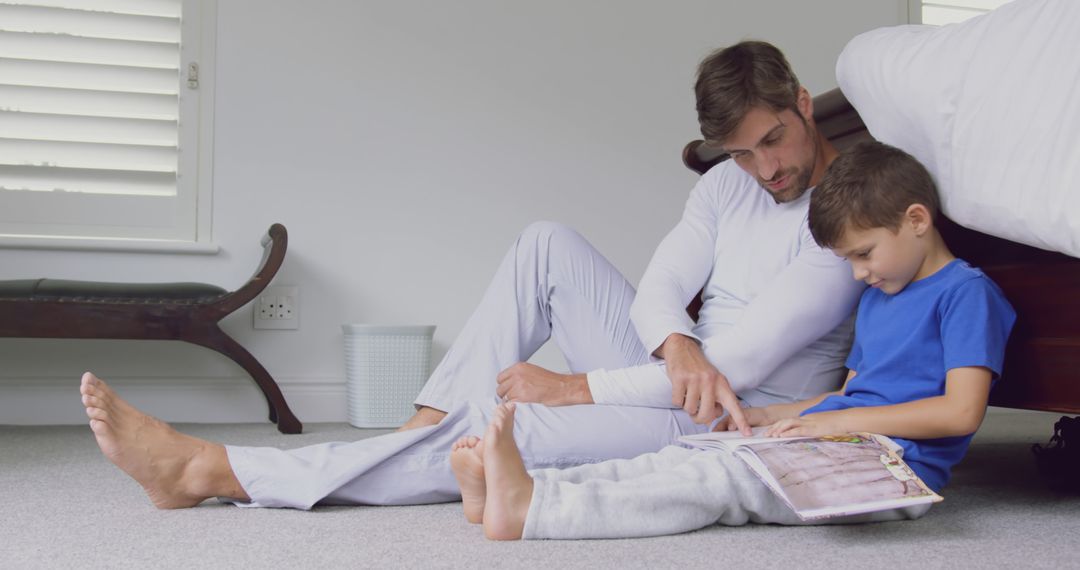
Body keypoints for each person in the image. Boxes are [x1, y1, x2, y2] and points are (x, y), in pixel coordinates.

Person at [79, 41, 863, 510]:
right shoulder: (729, 182)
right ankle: (420, 429)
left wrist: (570, 388)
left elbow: (740, 369)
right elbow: (661, 286)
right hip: (677, 366)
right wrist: (677, 341)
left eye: (775, 140)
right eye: (743, 153)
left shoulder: (849, 212)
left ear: (801, 104)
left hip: (728, 413)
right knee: (544, 242)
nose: (767, 169)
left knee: (507, 429)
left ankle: (210, 471)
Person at [450, 141, 1016, 540]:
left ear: (917, 219)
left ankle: (536, 509)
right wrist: (767, 414)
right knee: (685, 453)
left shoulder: (966, 293)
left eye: (863, 255)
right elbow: (849, 395)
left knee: (719, 481)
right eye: (848, 261)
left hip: (894, 471)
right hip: (837, 439)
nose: (858, 273)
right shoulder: (877, 298)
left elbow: (961, 412)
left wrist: (836, 425)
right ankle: (520, 488)